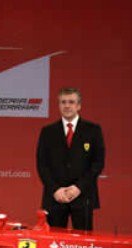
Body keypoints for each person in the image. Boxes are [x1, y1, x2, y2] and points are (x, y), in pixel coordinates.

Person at [36, 87, 105, 231]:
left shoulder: (93, 130)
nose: (67, 106)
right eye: (63, 102)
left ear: (79, 106)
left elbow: (97, 163)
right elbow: (42, 165)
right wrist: (55, 190)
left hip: (83, 196)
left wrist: (79, 187)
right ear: (59, 105)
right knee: (53, 241)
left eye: (71, 102)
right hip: (55, 198)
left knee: (83, 240)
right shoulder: (48, 132)